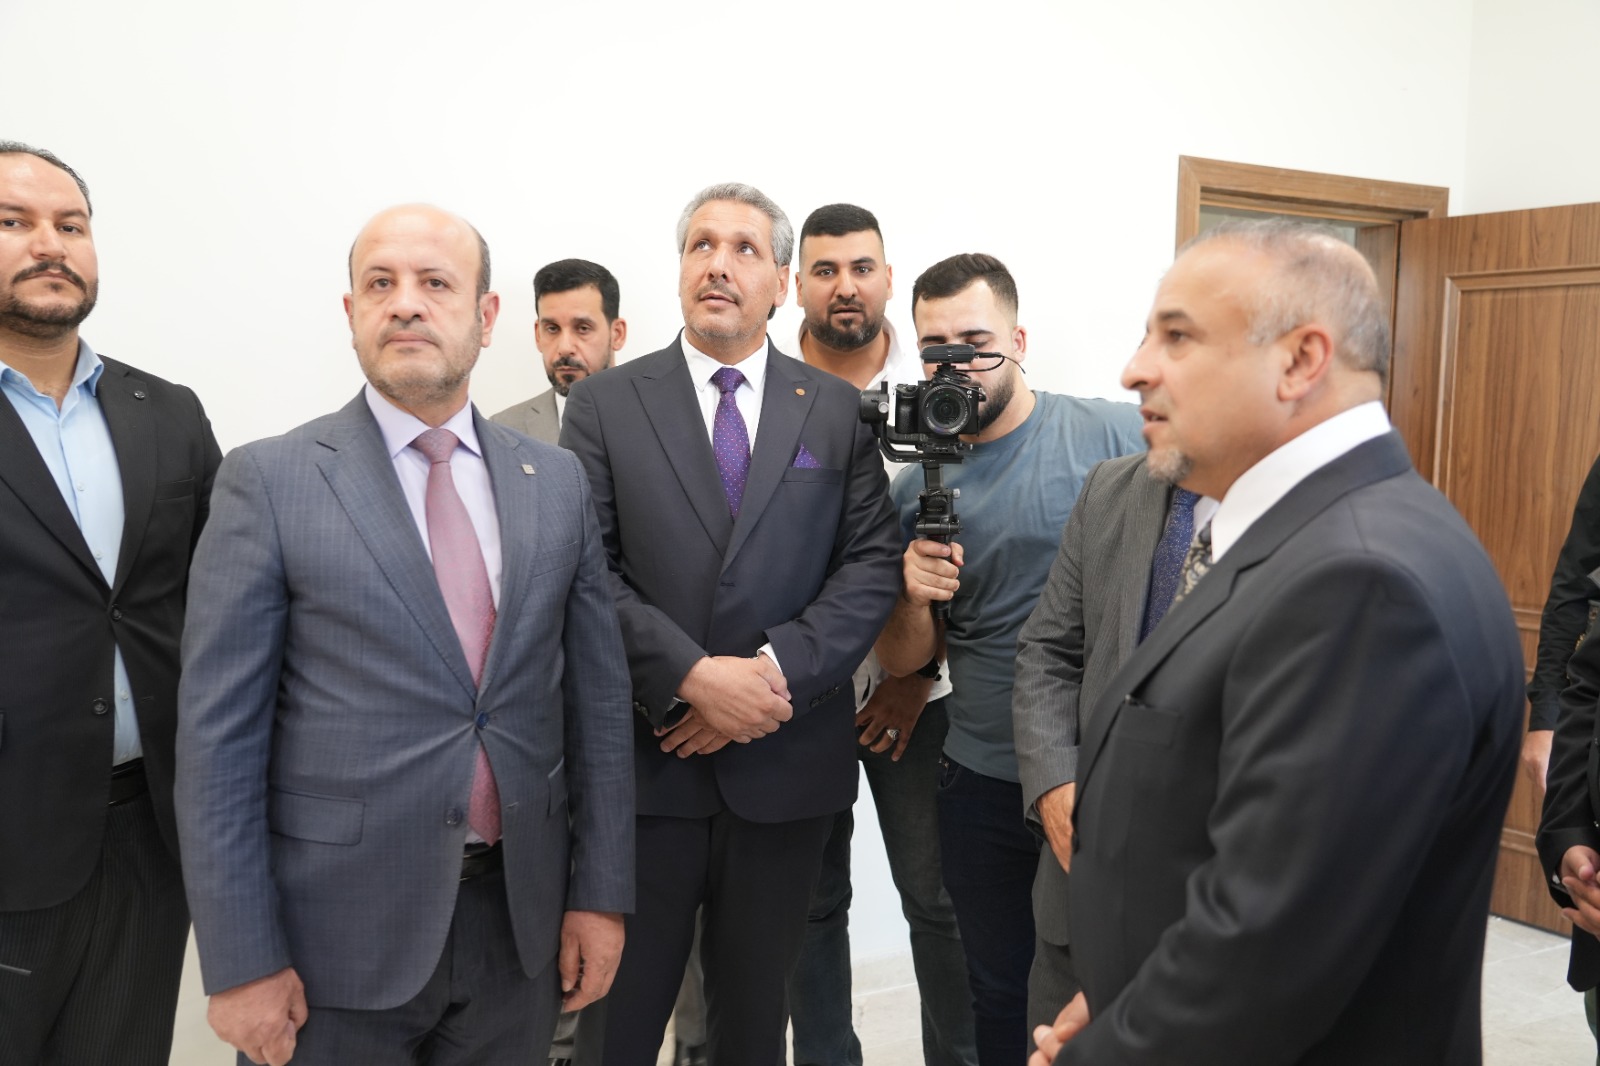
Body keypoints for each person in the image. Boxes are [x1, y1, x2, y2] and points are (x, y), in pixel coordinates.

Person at [1031, 219, 1525, 1065]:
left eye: (1177, 336)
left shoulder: (1362, 585)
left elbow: (1263, 953)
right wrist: (1122, 994)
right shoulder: (1303, 538)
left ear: (1300, 361)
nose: (1135, 369)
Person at [176, 203, 634, 1065]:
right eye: (380, 284)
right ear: (352, 313)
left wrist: (601, 895)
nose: (407, 303)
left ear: (487, 316)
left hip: (517, 931)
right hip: (332, 944)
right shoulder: (269, 482)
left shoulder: (555, 482)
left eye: (435, 283)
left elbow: (599, 710)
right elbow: (216, 744)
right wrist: (240, 961)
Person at [559, 182, 902, 1066]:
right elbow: (585, 569)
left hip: (783, 769)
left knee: (752, 1032)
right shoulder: (605, 405)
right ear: (680, 270)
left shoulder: (834, 409)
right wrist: (692, 679)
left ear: (781, 283)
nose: (719, 264)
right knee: (617, 1029)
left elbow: (870, 566)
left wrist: (768, 676)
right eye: (701, 245)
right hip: (647, 769)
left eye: (745, 248)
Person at [874, 253, 1143, 1065]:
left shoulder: (1112, 434)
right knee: (995, 990)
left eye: (976, 343)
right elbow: (907, 661)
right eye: (936, 350)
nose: (955, 366)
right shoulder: (917, 484)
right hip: (981, 776)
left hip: (1105, 773)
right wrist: (911, 595)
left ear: (1019, 341)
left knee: (1115, 985)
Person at [0, 141, 220, 1066]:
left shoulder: (167, 412)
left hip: (148, 839)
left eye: (71, 225)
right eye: (14, 222)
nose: (50, 243)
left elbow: (222, 612)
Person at [787, 202, 976, 1066]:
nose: (845, 286)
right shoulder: (764, 393)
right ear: (797, 284)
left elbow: (967, 542)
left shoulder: (943, 383)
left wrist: (914, 675)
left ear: (888, 277)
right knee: (811, 904)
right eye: (825, 270)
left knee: (936, 902)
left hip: (920, 694)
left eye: (861, 267)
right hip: (800, 691)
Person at [1012, 452, 1215, 1045]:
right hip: (1078, 904)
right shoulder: (1111, 488)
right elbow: (1046, 651)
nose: (1147, 407)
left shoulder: (1295, 521)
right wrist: (1054, 786)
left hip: (1207, 915)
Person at [492, 258, 626, 445]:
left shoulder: (656, 418)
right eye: (552, 329)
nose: (564, 348)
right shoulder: (502, 431)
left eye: (583, 328)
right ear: (538, 335)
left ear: (617, 334)